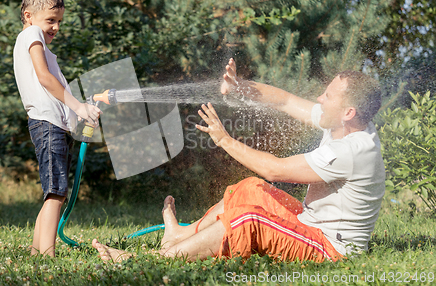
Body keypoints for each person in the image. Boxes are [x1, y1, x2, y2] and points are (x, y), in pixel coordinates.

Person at [92, 57, 385, 263]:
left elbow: (275, 169)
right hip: (310, 223)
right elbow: (284, 100)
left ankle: (154, 259)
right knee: (250, 189)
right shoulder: (340, 122)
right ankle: (181, 234)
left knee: (249, 219)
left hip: (331, 247)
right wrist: (239, 88)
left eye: (329, 95)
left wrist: (224, 140)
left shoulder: (351, 150)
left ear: (349, 112)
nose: (320, 99)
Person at [14, 0, 101, 257]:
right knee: (55, 191)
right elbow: (44, 78)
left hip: (53, 125)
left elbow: (53, 87)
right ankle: (48, 257)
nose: (56, 27)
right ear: (29, 16)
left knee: (56, 192)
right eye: (50, 20)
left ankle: (36, 251)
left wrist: (79, 115)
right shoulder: (31, 35)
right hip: (46, 124)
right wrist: (78, 106)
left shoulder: (36, 39)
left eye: (59, 21)